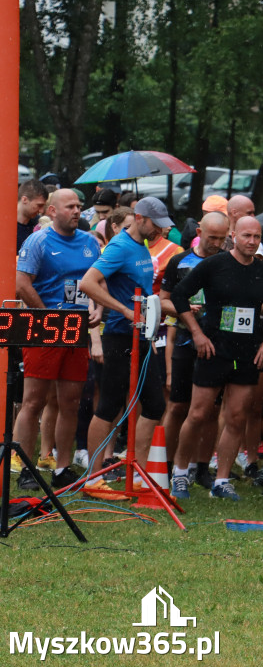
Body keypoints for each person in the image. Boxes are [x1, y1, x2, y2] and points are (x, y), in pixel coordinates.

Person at [168, 216, 263, 501]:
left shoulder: (262, 271)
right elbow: (179, 295)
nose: (252, 242)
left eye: (256, 237)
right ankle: (180, 473)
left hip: (247, 354)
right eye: (246, 236)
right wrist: (196, 333)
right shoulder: (213, 264)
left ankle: (221, 481)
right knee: (198, 413)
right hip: (213, 349)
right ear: (234, 236)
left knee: (236, 417)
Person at [79, 197, 172, 497]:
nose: (159, 230)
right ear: (140, 217)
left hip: (141, 338)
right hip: (120, 337)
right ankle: (93, 480)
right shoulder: (119, 246)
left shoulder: (142, 246)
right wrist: (123, 310)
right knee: (108, 406)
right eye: (155, 224)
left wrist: (148, 328)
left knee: (155, 405)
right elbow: (88, 283)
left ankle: (138, 473)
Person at [14, 189, 99, 491]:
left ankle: (63, 468)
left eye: (79, 206)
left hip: (76, 328)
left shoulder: (90, 242)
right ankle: (26, 467)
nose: (77, 211)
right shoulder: (38, 241)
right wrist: (47, 316)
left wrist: (98, 308)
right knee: (34, 400)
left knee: (71, 402)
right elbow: (21, 283)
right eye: (70, 206)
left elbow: (97, 281)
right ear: (51, 211)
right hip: (44, 327)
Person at [159, 212, 231, 485]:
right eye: (211, 237)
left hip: (218, 343)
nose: (216, 243)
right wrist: (184, 308)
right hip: (186, 341)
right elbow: (163, 301)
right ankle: (165, 466)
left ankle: (201, 468)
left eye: (222, 238)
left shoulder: (229, 261)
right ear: (199, 230)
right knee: (178, 406)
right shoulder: (179, 261)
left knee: (211, 410)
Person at [17, 178, 48, 251]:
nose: (42, 210)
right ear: (24, 200)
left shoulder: (40, 225)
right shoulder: (4, 225)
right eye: (39, 205)